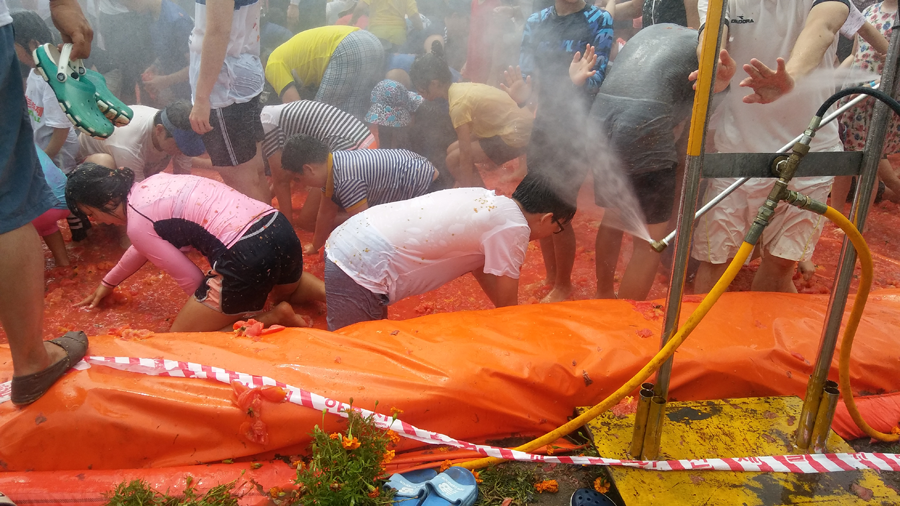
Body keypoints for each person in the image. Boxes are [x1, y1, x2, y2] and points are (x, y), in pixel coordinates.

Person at [690, 0, 850, 294]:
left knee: (779, 266)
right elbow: (710, 38)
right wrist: (713, 69)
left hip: (809, 155)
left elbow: (824, 25)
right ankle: (700, 339)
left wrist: (791, 76)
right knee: (715, 261)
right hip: (738, 151)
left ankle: (766, 337)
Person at [68, 164, 325, 332]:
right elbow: (143, 244)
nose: (96, 221)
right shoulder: (153, 183)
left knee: (181, 338)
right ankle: (332, 293)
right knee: (282, 285)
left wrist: (213, 311)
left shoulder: (136, 223)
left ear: (105, 202)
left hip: (246, 254)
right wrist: (108, 283)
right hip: (278, 228)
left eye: (91, 214)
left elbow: (191, 278)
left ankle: (273, 318)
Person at [323, 173, 576, 330]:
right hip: (361, 263)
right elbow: (508, 311)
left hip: (357, 239)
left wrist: (510, 313)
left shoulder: (486, 198)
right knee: (357, 354)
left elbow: (479, 268)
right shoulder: (514, 227)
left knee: (374, 339)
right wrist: (524, 333)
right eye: (559, 227)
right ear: (548, 218)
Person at [1, 0, 92, 406]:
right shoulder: (41, 74)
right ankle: (33, 361)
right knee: (6, 197)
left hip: (57, 197)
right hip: (51, 204)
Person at [510, 0, 614, 303]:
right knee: (539, 203)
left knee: (559, 206)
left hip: (578, 127)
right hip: (545, 124)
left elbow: (599, 75)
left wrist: (578, 82)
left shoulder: (599, 19)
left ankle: (564, 285)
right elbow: (528, 78)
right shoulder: (537, 21)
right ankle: (552, 276)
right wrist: (523, 95)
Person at [591, 23, 697, 300]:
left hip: (600, 122)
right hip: (642, 121)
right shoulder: (705, 47)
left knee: (613, 217)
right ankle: (625, 321)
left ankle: (603, 296)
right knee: (651, 242)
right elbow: (694, 128)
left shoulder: (656, 31)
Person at [282, 134, 440, 255]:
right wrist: (315, 245)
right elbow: (325, 214)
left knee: (407, 241)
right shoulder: (334, 163)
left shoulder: (346, 180)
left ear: (309, 169)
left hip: (425, 186)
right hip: (418, 167)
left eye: (298, 178)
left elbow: (363, 225)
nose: (300, 184)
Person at [409, 44, 533, 188]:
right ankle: (473, 185)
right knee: (451, 149)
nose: (419, 93)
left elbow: (466, 155)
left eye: (420, 89)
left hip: (516, 135)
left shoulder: (457, 104)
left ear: (434, 84)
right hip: (517, 125)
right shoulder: (458, 88)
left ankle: (481, 197)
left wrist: (466, 190)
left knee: (453, 161)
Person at [187, 0, 270, 203]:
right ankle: (272, 231)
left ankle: (263, 233)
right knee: (254, 172)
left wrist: (201, 98)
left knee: (241, 180)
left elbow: (218, 31)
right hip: (241, 69)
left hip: (224, 81)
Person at [261, 100, 376, 225]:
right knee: (327, 206)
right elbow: (284, 175)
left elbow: (281, 179)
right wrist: (263, 203)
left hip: (351, 151)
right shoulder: (269, 114)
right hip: (365, 144)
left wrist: (284, 225)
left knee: (308, 219)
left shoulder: (266, 125)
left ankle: (371, 217)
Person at [833, 0, 900, 211]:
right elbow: (855, 54)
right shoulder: (870, 11)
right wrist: (835, 82)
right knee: (843, 158)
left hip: (880, 100)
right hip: (852, 98)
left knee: (868, 165)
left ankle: (859, 221)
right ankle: (835, 214)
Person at [264, 25, 385, 119]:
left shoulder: (272, 63)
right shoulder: (286, 53)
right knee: (354, 112)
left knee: (320, 117)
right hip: (371, 41)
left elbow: (295, 107)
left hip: (348, 47)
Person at [13, 11, 79, 174]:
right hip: (44, 154)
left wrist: (42, 163)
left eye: (14, 47)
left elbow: (61, 131)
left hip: (60, 162)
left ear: (33, 45)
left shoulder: (52, 79)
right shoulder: (35, 71)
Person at [78, 101, 203, 181]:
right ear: (159, 130)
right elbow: (137, 197)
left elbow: (183, 180)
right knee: (106, 163)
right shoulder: (130, 144)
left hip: (132, 164)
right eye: (179, 146)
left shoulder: (179, 132)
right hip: (87, 171)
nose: (183, 151)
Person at [121, 0, 193, 106]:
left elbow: (197, 67)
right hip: (177, 89)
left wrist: (166, 81)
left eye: (130, 4)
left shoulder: (177, 21)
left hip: (192, 93)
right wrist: (156, 65)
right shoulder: (151, 15)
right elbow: (170, 48)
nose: (129, 9)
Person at [31, 147, 73, 267]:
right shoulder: (23, 137)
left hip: (40, 210)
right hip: (66, 199)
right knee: (46, 225)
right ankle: (64, 264)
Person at [350, 0, 424, 50]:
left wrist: (353, 21)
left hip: (376, 34)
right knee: (394, 66)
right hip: (398, 36)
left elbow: (360, 7)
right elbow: (414, 16)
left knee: (376, 67)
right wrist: (421, 29)